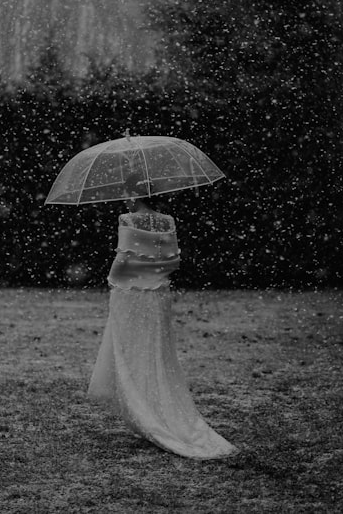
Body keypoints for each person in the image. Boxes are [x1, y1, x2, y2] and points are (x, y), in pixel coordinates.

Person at [87, 177, 237, 459]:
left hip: (130, 296)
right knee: (158, 354)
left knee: (130, 352)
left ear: (134, 194)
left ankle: (145, 410)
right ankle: (161, 407)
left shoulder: (127, 219)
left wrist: (113, 279)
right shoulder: (167, 221)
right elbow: (172, 261)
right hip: (157, 297)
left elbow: (123, 261)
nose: (123, 198)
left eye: (126, 192)